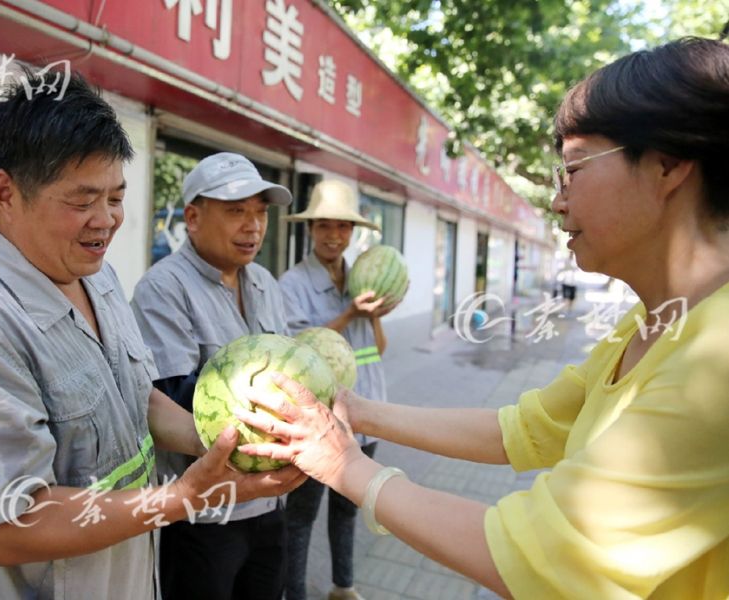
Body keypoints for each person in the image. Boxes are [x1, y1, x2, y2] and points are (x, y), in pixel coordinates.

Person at [236, 36, 729, 599]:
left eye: (574, 170)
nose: (558, 201)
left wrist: (344, 463)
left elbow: (539, 552)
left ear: (666, 166)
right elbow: (524, 429)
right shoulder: (649, 325)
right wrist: (356, 412)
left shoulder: (714, 363)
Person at [0, 74, 303, 600]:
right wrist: (182, 498)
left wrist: (220, 444)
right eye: (83, 200)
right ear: (6, 191)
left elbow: (133, 393)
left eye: (116, 197)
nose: (106, 221)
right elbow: (6, 526)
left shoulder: (97, 276)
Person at [130, 152, 294, 600]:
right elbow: (175, 396)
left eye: (260, 212)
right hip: (205, 514)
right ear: (194, 217)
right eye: (236, 211)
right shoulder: (163, 288)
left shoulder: (264, 282)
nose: (253, 226)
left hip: (270, 502)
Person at [279, 179, 397, 600]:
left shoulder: (364, 278)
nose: (334, 236)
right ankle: (294, 593)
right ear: (310, 230)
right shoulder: (292, 284)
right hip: (318, 417)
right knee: (301, 514)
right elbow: (295, 349)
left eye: (343, 227)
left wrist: (377, 315)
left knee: (349, 507)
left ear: (352, 233)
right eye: (324, 226)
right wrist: (348, 313)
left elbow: (377, 348)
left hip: (367, 411)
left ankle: (343, 586)